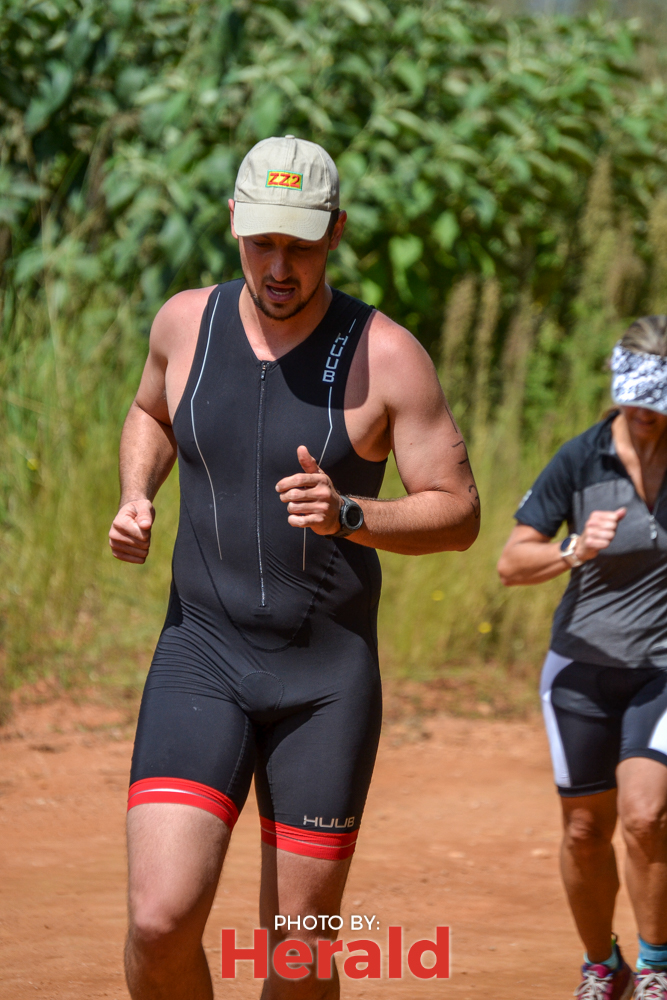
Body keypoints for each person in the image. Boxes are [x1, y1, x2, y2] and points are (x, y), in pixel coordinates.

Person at [109, 134, 480, 1000]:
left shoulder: (386, 355)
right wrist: (135, 493)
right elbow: (150, 410)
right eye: (262, 242)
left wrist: (351, 514)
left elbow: (458, 511)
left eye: (301, 246)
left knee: (298, 956)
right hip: (200, 655)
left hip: (323, 683)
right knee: (158, 923)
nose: (279, 267)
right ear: (234, 223)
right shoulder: (183, 323)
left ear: (335, 232)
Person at [497, 316, 667, 1000]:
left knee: (646, 816)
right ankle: (603, 965)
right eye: (635, 399)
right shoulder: (580, 459)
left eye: (657, 402)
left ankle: (656, 968)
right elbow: (512, 563)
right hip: (579, 671)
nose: (645, 415)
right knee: (582, 830)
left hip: (660, 670)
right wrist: (575, 548)